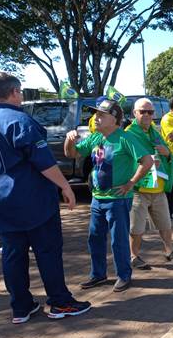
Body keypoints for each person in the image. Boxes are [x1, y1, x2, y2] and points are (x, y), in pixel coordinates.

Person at [0, 72, 90, 324]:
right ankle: (60, 302)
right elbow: (44, 162)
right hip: (33, 202)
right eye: (19, 92)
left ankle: (20, 307)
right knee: (47, 251)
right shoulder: (19, 121)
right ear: (14, 92)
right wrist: (66, 186)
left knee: (12, 253)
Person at [65, 99, 154, 292]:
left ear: (114, 119)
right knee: (95, 238)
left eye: (101, 115)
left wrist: (131, 183)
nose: (95, 118)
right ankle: (98, 274)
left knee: (118, 239)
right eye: (96, 114)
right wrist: (69, 140)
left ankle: (124, 275)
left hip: (118, 200)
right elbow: (72, 154)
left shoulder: (126, 138)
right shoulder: (96, 138)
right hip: (97, 199)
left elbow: (147, 161)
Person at [125, 98, 173, 270]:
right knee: (136, 228)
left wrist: (167, 154)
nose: (147, 115)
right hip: (139, 189)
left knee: (165, 224)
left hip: (157, 188)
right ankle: (133, 256)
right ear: (134, 113)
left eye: (150, 112)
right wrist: (144, 163)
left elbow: (169, 155)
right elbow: (125, 160)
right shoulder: (129, 134)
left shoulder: (155, 133)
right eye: (142, 111)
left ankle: (169, 251)